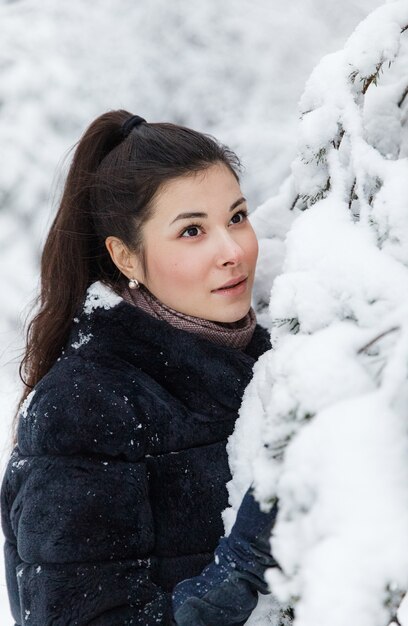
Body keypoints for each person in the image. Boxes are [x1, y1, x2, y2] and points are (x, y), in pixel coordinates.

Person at [1, 110, 278, 625]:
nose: (232, 250)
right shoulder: (87, 404)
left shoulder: (282, 347)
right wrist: (247, 561)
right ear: (126, 258)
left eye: (237, 217)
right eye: (192, 230)